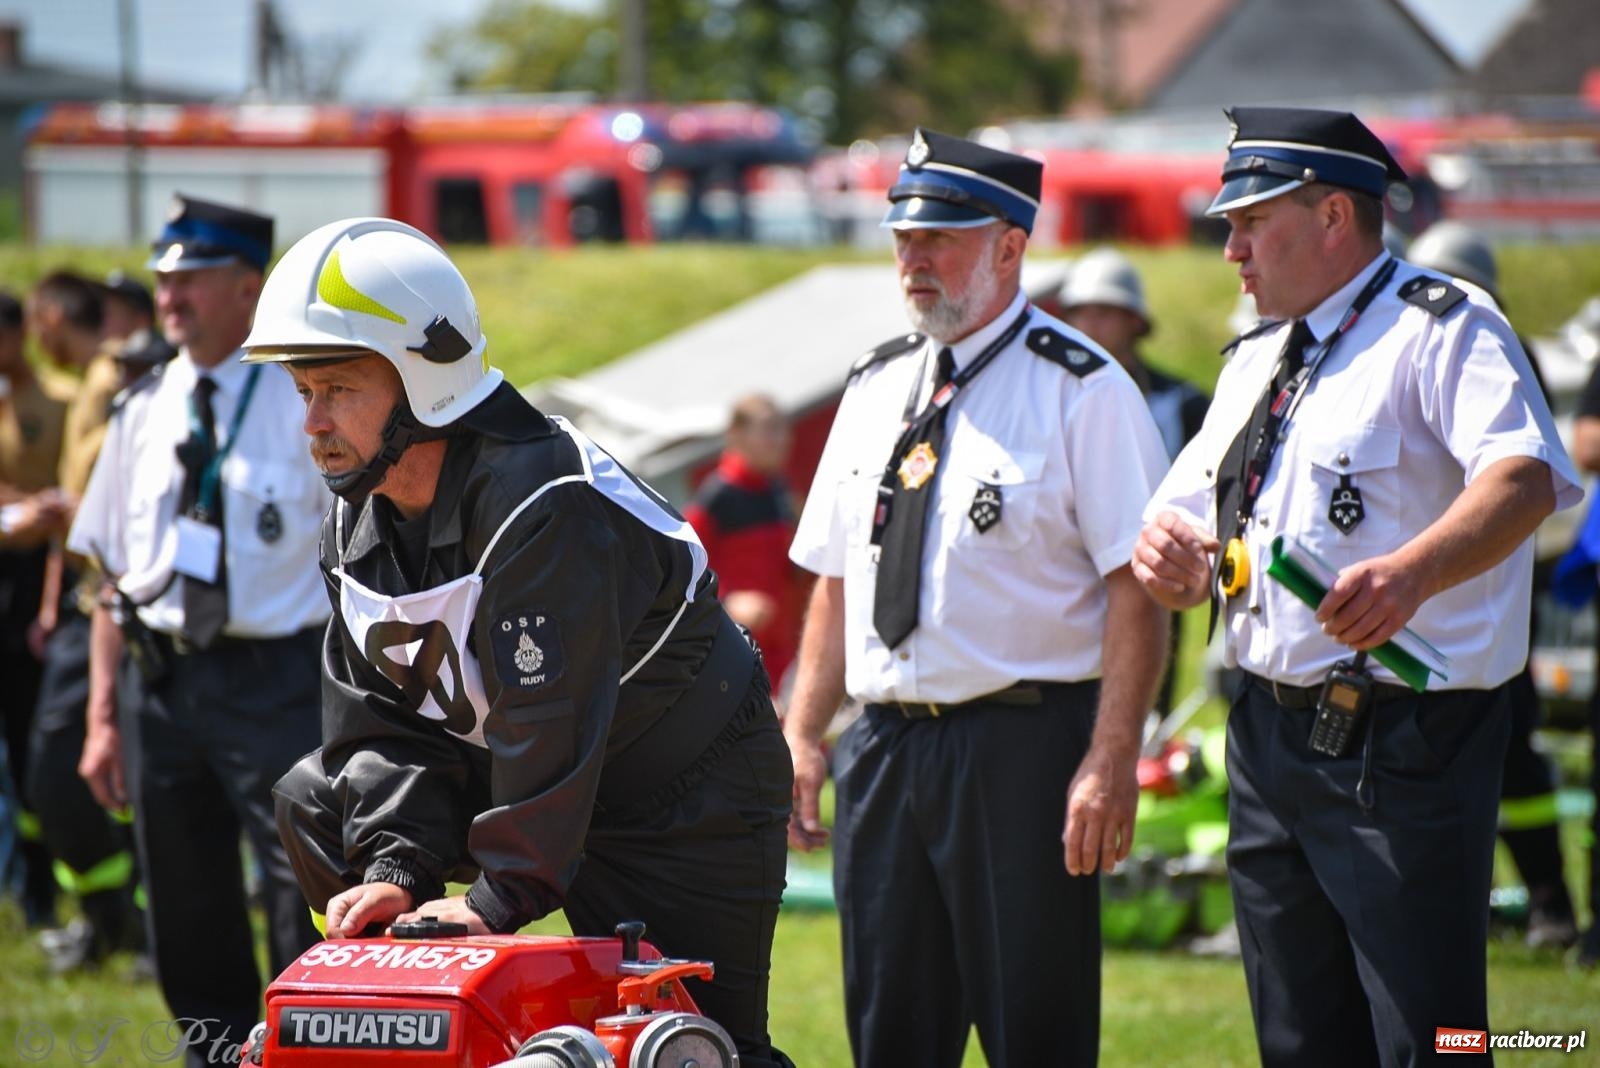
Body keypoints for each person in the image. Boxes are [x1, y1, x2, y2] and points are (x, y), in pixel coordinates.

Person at [247, 217, 793, 1068]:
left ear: (425, 378)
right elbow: (381, 729)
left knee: (700, 1051)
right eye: (301, 391)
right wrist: (399, 869)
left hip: (681, 794)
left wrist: (495, 900)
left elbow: (552, 717)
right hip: (531, 779)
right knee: (314, 800)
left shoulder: (543, 499)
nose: (313, 422)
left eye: (338, 388)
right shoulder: (355, 520)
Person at [1132, 107, 1580, 1066]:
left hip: (1399, 743)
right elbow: (1183, 519)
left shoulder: (1444, 325)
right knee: (1298, 1038)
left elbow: (1524, 478)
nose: (1231, 251)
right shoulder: (1260, 357)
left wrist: (1414, 572)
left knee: (1431, 1038)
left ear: (1335, 215)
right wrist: (1168, 559)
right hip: (1265, 735)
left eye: (1250, 223)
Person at [784, 128, 1170, 1066]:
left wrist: (1112, 755)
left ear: (1010, 244)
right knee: (890, 1033)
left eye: (941, 238)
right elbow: (839, 577)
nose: (914, 260)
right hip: (881, 748)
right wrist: (802, 732)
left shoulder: (1085, 390)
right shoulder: (875, 385)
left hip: (1022, 748)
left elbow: (1139, 591)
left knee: (1032, 1027)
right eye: (904, 238)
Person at [67, 194, 329, 1066]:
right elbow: (111, 574)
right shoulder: (140, 406)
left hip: (280, 680)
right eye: (164, 279)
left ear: (248, 288)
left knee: (302, 883)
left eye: (192, 278)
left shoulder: (305, 402)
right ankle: (212, 1051)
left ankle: (302, 1046)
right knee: (183, 889)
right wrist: (104, 713)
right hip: (163, 680)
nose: (169, 296)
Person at [1408, 219, 1580, 952]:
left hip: (1492, 588)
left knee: (1509, 741)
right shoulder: (1409, 347)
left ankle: (1547, 902)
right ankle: (1473, 905)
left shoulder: (1499, 350)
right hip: (1426, 589)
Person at [1059, 247, 1210, 717]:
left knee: (1142, 714)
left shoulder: (1182, 402)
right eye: (1081, 313)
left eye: (1105, 313)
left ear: (1134, 321)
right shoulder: (1051, 399)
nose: (1091, 325)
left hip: (1149, 571)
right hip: (1073, 572)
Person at [0, 287, 68, 929]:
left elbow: (65, 506)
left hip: (27, 581)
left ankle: (41, 889)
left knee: (32, 742)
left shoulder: (56, 402)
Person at [684, 394, 803, 693]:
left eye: (782, 428)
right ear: (736, 435)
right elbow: (682, 568)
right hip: (741, 657)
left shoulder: (779, 491)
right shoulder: (717, 496)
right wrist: (728, 601)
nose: (781, 440)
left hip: (787, 652)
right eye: (768, 429)